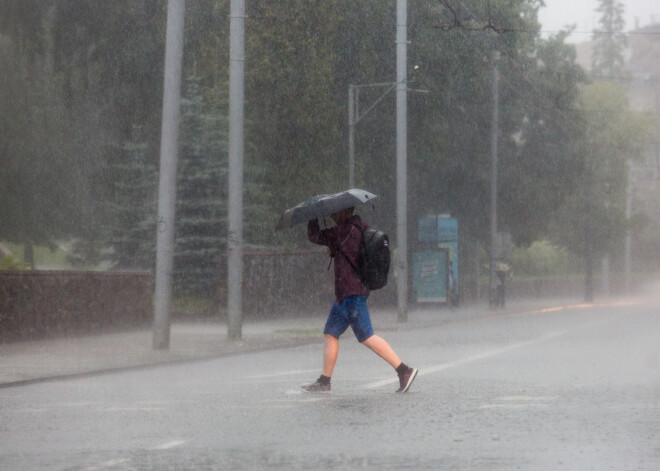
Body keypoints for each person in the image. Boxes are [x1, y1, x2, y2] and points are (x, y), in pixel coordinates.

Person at [302, 206, 417, 393]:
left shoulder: (342, 231)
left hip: (351, 294)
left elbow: (314, 236)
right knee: (330, 333)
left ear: (343, 212)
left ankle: (404, 370)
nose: (331, 216)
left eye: (334, 212)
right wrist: (335, 250)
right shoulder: (359, 228)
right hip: (345, 295)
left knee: (367, 336)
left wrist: (313, 216)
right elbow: (351, 254)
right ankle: (324, 381)